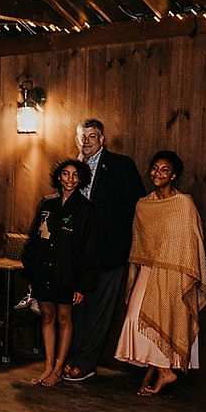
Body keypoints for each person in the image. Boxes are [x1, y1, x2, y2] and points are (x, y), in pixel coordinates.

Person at [113, 151, 206, 396]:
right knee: (136, 317)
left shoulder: (184, 203)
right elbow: (141, 242)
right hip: (149, 267)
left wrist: (180, 268)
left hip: (176, 271)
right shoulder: (144, 205)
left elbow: (191, 242)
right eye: (154, 168)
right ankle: (159, 369)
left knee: (167, 319)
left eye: (164, 170)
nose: (157, 173)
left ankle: (163, 371)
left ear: (174, 175)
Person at [62, 118, 146, 381]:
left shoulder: (120, 165)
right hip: (76, 252)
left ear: (102, 139)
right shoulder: (72, 169)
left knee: (99, 309)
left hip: (109, 252)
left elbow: (138, 205)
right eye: (82, 137)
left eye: (92, 136)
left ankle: (86, 363)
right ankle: (71, 356)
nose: (87, 141)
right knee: (76, 307)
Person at [21, 159, 99, 387]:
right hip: (43, 273)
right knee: (47, 317)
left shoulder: (85, 209)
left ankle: (58, 368)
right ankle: (47, 366)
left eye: (75, 175)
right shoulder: (47, 206)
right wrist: (30, 274)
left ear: (81, 179)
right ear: (59, 177)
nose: (70, 179)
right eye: (66, 174)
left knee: (65, 319)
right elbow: (34, 240)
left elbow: (89, 249)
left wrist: (83, 285)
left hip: (68, 275)